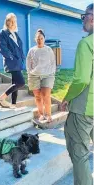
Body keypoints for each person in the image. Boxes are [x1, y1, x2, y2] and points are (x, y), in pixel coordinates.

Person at [61, 3, 93, 185]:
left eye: (85, 15)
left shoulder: (86, 43)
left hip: (83, 109)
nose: (83, 20)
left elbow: (81, 79)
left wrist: (67, 98)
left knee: (79, 154)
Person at [26, 29, 56, 123]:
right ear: (35, 39)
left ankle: (48, 115)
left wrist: (52, 72)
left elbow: (53, 62)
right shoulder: (32, 50)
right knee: (38, 96)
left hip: (47, 75)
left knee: (46, 95)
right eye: (38, 38)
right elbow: (28, 63)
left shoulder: (48, 50)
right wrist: (30, 72)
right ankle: (41, 114)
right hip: (34, 76)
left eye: (41, 38)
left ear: (44, 39)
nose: (40, 40)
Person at [0, 13, 25, 108]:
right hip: (12, 61)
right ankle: (1, 98)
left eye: (14, 21)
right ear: (7, 22)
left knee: (15, 83)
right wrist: (11, 57)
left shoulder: (15, 34)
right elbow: (2, 47)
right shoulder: (3, 32)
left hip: (18, 62)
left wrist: (22, 58)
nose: (13, 23)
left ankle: (13, 104)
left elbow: (20, 48)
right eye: (10, 21)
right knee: (21, 82)